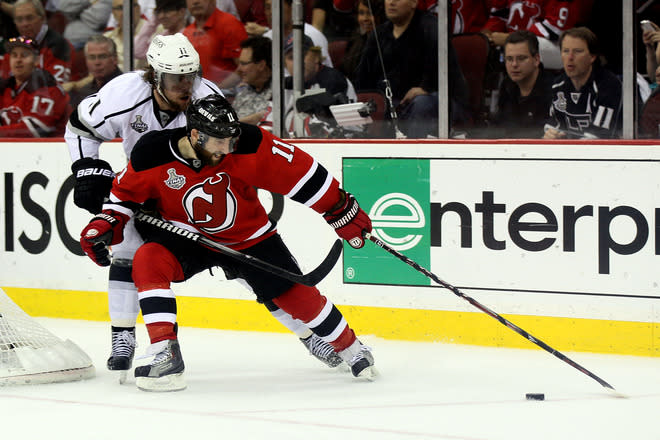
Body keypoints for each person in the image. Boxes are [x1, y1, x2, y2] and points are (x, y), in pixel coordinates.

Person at [65, 33, 343, 382]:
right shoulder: (122, 94)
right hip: (145, 187)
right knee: (127, 252)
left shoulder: (207, 99)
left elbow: (230, 157)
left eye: (189, 75)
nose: (185, 85)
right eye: (174, 77)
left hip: (198, 196)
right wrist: (87, 169)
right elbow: (78, 129)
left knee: (253, 270)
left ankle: (309, 335)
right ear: (154, 75)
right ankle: (123, 336)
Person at [78, 94, 377, 391]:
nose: (226, 148)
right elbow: (124, 196)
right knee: (147, 259)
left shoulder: (249, 144)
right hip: (185, 238)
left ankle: (352, 348)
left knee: (298, 297)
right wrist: (106, 222)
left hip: (250, 239)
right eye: (217, 141)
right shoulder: (152, 152)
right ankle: (164, 352)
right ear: (194, 134)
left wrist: (338, 208)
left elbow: (302, 173)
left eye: (229, 140)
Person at [354, 0, 438, 138]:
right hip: (386, 104)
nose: (391, 2)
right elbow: (362, 80)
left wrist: (425, 88)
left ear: (414, 2)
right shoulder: (379, 34)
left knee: (422, 103)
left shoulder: (430, 28)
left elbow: (445, 73)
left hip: (425, 101)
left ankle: (414, 154)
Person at [544, 27, 621, 139]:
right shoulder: (557, 85)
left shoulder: (609, 85)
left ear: (592, 56)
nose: (570, 57)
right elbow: (553, 126)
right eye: (566, 51)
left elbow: (598, 137)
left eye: (577, 51)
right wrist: (551, 134)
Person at [480, 0, 590, 70]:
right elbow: (500, 15)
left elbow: (555, 31)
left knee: (519, 50)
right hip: (518, 40)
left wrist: (510, 39)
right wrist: (488, 33)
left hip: (558, 47)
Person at [0, 35, 69, 136]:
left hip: (51, 149)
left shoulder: (47, 88)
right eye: (14, 55)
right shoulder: (5, 88)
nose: (18, 60)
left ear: (36, 60)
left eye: (24, 55)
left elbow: (35, 129)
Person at [491, 30, 554, 138]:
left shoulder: (554, 90)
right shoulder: (507, 85)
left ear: (536, 60)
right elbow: (498, 127)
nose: (514, 64)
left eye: (521, 58)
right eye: (509, 59)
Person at [0, 0, 73, 83]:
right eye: (19, 20)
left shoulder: (59, 45)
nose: (24, 24)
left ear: (42, 18)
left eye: (29, 18)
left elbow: (56, 88)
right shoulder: (16, 45)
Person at [183, 0, 247, 85]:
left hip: (226, 93)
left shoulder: (229, 24)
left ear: (213, 1)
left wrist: (217, 90)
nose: (195, 2)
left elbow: (245, 67)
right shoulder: (187, 33)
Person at [66, 35, 122, 108]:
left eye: (102, 56)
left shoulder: (125, 88)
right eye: (92, 57)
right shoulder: (83, 93)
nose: (97, 62)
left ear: (115, 59)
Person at [232, 35, 272, 125]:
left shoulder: (282, 94)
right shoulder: (243, 93)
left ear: (261, 65)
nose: (239, 69)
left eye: (244, 64)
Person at [104, 0, 151, 71]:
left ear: (138, 9)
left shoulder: (155, 31)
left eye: (130, 6)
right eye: (120, 8)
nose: (126, 12)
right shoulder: (106, 38)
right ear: (113, 13)